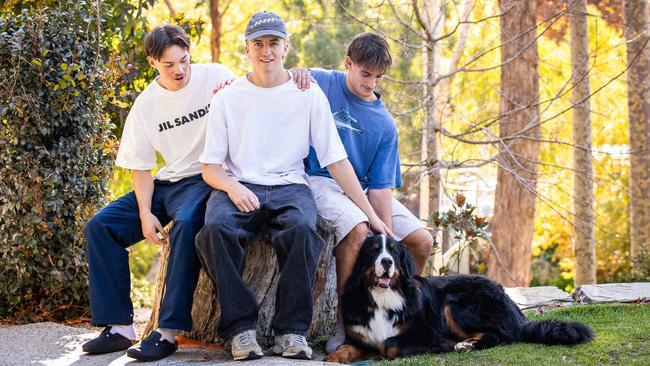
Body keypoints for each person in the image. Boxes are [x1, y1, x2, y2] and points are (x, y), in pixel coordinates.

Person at [194, 11, 390, 362]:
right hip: (239, 184)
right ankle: (240, 329)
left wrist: (370, 214)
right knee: (213, 231)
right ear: (247, 48)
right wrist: (233, 188)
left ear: (286, 46)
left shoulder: (307, 92)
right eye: (258, 44)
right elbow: (211, 168)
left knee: (302, 230)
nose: (266, 51)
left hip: (290, 185)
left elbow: (336, 160)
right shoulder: (227, 98)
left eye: (273, 43)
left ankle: (292, 332)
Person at [82, 24, 238, 362]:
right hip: (166, 182)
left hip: (204, 177)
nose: (180, 70)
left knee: (185, 225)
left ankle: (167, 333)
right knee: (101, 227)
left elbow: (253, 101)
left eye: (184, 60)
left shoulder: (216, 75)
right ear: (153, 62)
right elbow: (141, 167)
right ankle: (119, 327)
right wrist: (144, 213)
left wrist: (232, 94)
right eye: (169, 65)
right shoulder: (146, 105)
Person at [301, 32, 434, 354]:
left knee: (421, 240)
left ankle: (400, 318)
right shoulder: (320, 81)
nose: (371, 82)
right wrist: (296, 72)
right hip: (319, 179)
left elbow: (379, 187)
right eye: (365, 73)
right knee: (358, 229)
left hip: (361, 187)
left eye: (378, 76)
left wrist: (384, 232)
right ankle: (347, 322)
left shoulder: (384, 124)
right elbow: (277, 80)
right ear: (348, 63)